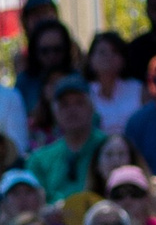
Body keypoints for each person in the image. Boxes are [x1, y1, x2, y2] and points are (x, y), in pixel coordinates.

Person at [28, 74, 101, 204]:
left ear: (92, 107)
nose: (72, 110)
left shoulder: (110, 148)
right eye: (64, 104)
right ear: (54, 111)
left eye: (79, 102)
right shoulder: (39, 160)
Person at [84, 29, 143, 138]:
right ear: (90, 59)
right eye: (102, 52)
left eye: (114, 51)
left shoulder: (139, 89)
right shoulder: (83, 93)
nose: (108, 57)